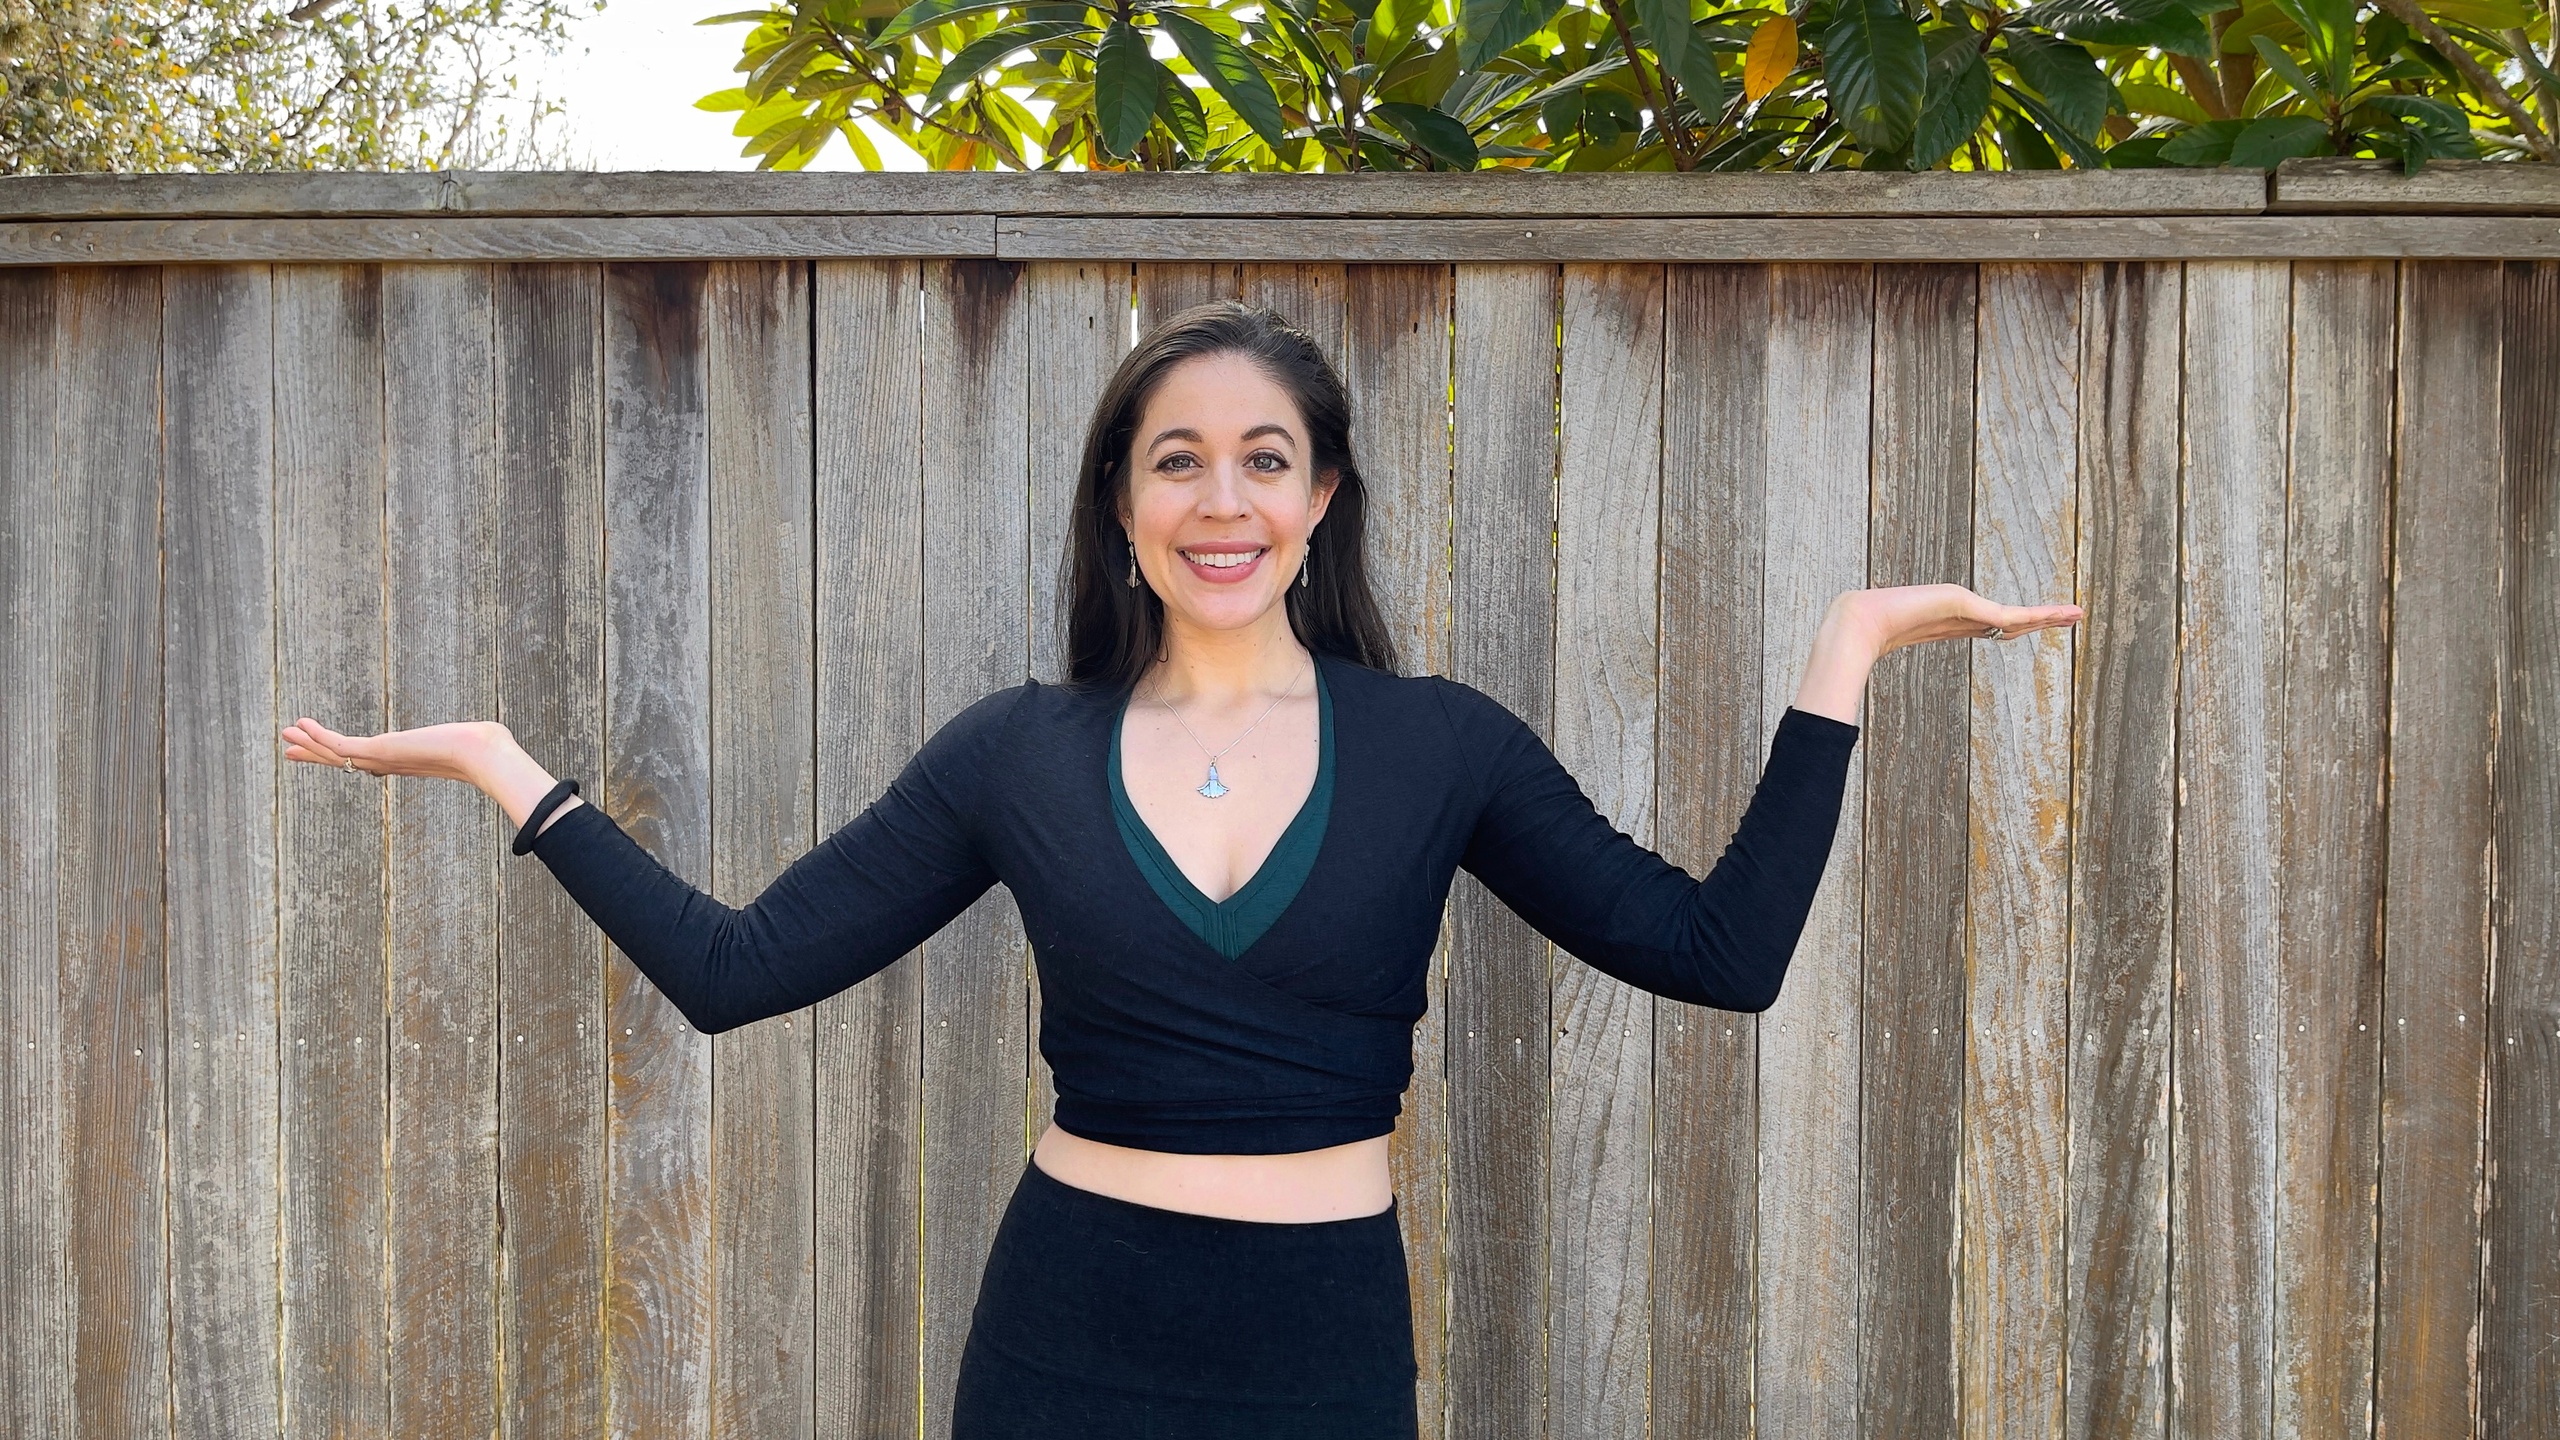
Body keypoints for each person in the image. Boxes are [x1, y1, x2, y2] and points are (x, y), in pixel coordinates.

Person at [280, 300, 2081, 1437]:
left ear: (1321, 499)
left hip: (1321, 1343)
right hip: (1067, 1332)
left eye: (1264, 461)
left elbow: (1717, 956)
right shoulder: (1015, 754)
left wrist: (1843, 656)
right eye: (1179, 463)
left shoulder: (1441, 745)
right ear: (1125, 505)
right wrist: (504, 768)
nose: (1223, 501)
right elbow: (737, 972)